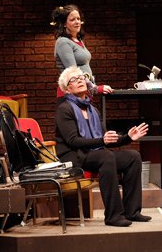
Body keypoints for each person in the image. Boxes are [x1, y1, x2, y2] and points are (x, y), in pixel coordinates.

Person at [54, 66, 150, 227]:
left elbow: (107, 138)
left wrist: (128, 137)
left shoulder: (92, 110)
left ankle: (132, 212)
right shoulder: (64, 109)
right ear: (67, 89)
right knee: (106, 156)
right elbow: (73, 141)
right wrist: (102, 142)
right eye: (73, 79)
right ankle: (113, 215)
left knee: (133, 157)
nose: (79, 80)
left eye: (81, 77)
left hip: (93, 153)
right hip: (73, 156)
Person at [52, 5, 112, 97]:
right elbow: (74, 72)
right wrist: (95, 89)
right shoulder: (63, 42)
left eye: (78, 19)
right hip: (71, 94)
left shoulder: (78, 40)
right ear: (64, 24)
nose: (77, 22)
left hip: (83, 92)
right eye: (72, 20)